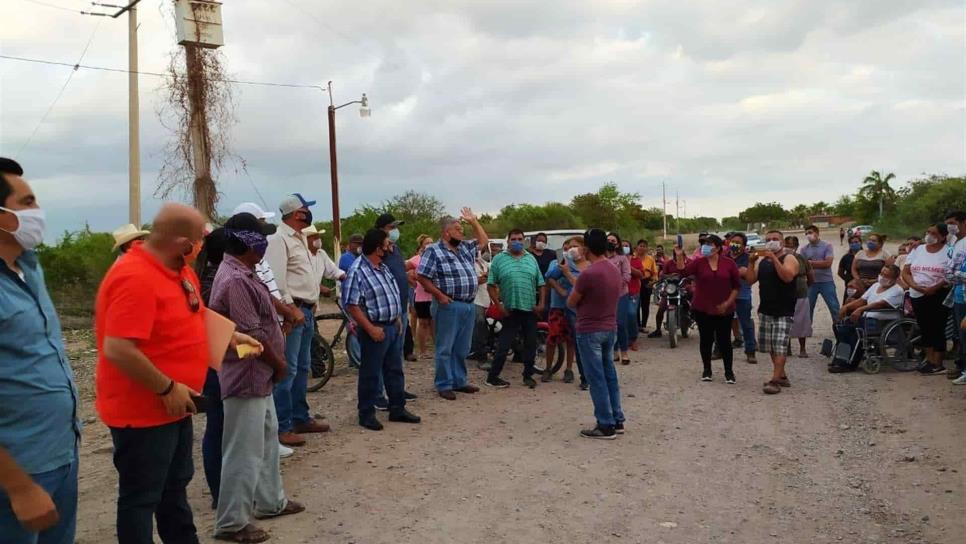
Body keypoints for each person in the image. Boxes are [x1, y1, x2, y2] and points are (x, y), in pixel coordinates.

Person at [95, 203, 261, 544]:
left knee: (175, 489)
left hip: (177, 402)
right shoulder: (134, 277)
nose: (203, 246)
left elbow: (194, 315)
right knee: (141, 498)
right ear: (182, 241)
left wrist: (230, 336)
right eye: (201, 239)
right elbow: (119, 349)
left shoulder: (179, 270)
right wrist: (166, 387)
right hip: (142, 411)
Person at [0, 157, 81, 544]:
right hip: (17, 471)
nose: (38, 212)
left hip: (62, 452)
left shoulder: (29, 268)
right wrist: (18, 486)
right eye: (27, 202)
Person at [209, 221, 304, 543]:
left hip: (258, 376)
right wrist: (278, 364)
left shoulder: (245, 272)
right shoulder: (235, 279)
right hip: (247, 375)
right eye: (261, 238)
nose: (265, 243)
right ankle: (232, 522)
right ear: (248, 242)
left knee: (265, 442)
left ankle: (270, 502)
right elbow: (251, 336)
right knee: (243, 451)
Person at [265, 193, 330, 447]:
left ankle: (300, 417)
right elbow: (278, 281)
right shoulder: (278, 239)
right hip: (293, 313)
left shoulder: (301, 238)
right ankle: (283, 426)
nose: (308, 213)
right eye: (305, 210)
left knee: (302, 367)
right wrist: (291, 309)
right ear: (296, 214)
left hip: (306, 310)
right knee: (288, 369)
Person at [343, 229, 422, 430]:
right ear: (378, 248)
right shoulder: (358, 270)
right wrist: (370, 328)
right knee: (370, 373)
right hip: (374, 329)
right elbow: (351, 304)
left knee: (395, 370)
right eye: (387, 245)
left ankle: (397, 409)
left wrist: (396, 318)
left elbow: (390, 293)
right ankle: (366, 414)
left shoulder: (382, 267)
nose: (390, 247)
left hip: (391, 327)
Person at [416, 209, 489, 400]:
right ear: (446, 232)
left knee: (462, 348)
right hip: (447, 304)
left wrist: (474, 221)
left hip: (467, 304)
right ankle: (444, 384)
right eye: (457, 229)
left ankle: (459, 381)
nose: (461, 232)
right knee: (445, 347)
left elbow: (483, 242)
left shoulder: (464, 248)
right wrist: (439, 296)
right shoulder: (434, 250)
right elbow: (422, 276)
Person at [568, 228, 624, 440]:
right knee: (609, 374)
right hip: (610, 326)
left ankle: (605, 423)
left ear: (586, 248)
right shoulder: (612, 268)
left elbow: (571, 301)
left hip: (590, 328)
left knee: (596, 378)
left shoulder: (588, 274)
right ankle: (617, 418)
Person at [485, 229, 547, 389]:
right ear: (508, 241)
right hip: (510, 310)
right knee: (504, 346)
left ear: (524, 241)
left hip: (529, 309)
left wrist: (541, 304)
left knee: (531, 344)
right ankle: (493, 377)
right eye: (513, 239)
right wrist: (499, 306)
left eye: (520, 239)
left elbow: (541, 283)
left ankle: (528, 375)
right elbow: (490, 285)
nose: (517, 241)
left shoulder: (530, 258)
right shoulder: (499, 259)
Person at [745, 230, 800, 395]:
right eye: (768, 239)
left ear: (782, 242)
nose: (771, 242)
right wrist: (751, 263)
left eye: (775, 239)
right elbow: (749, 280)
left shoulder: (789, 258)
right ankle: (781, 375)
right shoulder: (763, 262)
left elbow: (787, 277)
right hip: (766, 308)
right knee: (770, 345)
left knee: (780, 345)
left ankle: (774, 381)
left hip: (784, 309)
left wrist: (774, 258)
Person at [830, 265, 905, 373]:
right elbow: (862, 300)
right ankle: (840, 359)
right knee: (840, 326)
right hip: (867, 318)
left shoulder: (897, 290)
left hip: (881, 321)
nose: (882, 277)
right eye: (882, 274)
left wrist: (860, 309)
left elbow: (880, 304)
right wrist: (846, 307)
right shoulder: (875, 286)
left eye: (886, 275)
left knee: (854, 330)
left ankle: (849, 364)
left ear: (895, 278)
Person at [685, 234, 740, 383]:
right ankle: (707, 370)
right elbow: (683, 271)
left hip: (725, 309)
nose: (706, 246)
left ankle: (729, 372)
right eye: (704, 243)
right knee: (706, 339)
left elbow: (736, 286)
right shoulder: (699, 263)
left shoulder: (729, 263)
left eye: (709, 243)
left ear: (718, 247)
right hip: (702, 307)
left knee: (724, 341)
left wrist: (727, 303)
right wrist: (679, 256)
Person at [902, 223, 952, 375]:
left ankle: (938, 363)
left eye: (934, 233)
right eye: (928, 231)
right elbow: (906, 272)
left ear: (943, 236)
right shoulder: (918, 250)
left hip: (938, 294)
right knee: (924, 328)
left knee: (937, 327)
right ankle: (929, 360)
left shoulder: (949, 251)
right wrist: (915, 286)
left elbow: (950, 274)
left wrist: (934, 287)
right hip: (917, 293)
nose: (929, 235)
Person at [545, 237, 588, 387]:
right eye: (568, 247)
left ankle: (571, 370)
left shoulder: (588, 266)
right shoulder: (561, 262)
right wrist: (563, 263)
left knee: (573, 341)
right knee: (552, 337)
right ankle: (548, 368)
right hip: (558, 305)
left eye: (575, 247)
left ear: (583, 248)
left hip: (576, 309)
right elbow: (549, 277)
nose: (571, 249)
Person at [800, 225, 840, 323]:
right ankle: (807, 330)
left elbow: (827, 263)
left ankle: (839, 328)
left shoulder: (827, 246)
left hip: (826, 281)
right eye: (806, 233)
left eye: (810, 232)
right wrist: (817, 263)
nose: (808, 235)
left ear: (817, 233)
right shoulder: (804, 249)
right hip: (810, 283)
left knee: (834, 307)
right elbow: (802, 266)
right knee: (808, 308)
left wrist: (810, 263)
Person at [648, 245, 690, 338]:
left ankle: (691, 322)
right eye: (675, 254)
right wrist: (670, 275)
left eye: (680, 254)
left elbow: (694, 274)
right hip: (671, 288)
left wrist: (688, 278)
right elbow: (662, 275)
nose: (677, 256)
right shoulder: (668, 263)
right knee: (661, 308)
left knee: (691, 305)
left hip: (684, 287)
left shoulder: (689, 262)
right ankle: (658, 330)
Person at [944, 210, 966, 383]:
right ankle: (963, 367)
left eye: (952, 222)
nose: (950, 226)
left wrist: (954, 275)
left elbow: (955, 271)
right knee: (961, 333)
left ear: (963, 223)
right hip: (958, 294)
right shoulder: (954, 241)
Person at [729, 233, 757, 364]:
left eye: (738, 242)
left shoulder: (748, 258)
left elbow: (748, 274)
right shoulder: (724, 257)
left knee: (746, 324)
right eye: (732, 241)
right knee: (721, 323)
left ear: (744, 246)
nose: (734, 244)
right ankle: (719, 349)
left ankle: (750, 351)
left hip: (742, 294)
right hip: (725, 294)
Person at [407, 234, 436, 360]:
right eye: (427, 243)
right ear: (421, 246)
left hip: (435, 295)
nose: (430, 244)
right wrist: (413, 283)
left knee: (435, 323)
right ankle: (423, 350)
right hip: (422, 296)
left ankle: (437, 349)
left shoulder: (437, 257)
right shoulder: (416, 259)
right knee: (423, 322)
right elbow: (403, 270)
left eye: (431, 242)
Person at [606, 233, 633, 364]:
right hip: (605, 297)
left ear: (617, 243)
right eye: (608, 240)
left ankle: (624, 352)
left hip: (621, 294)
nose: (610, 242)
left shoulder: (622, 258)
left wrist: (615, 284)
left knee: (621, 324)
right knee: (610, 325)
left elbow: (627, 276)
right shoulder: (602, 259)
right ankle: (614, 351)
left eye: (613, 240)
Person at [785, 236, 814, 358]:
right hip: (784, 295)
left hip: (801, 293)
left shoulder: (801, 258)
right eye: (787, 245)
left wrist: (805, 286)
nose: (789, 248)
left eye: (791, 246)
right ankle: (787, 348)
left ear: (796, 247)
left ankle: (802, 349)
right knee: (785, 321)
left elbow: (810, 276)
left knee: (802, 321)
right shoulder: (781, 258)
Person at [301, 224, 345, 298]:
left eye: (318, 237)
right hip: (301, 299)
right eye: (315, 238)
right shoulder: (301, 255)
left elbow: (333, 270)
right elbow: (302, 279)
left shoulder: (321, 253)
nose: (318, 240)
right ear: (306, 239)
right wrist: (320, 288)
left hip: (314, 298)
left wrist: (345, 277)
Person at [468, 243, 494, 365]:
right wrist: (480, 279)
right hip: (475, 299)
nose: (483, 251)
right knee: (480, 323)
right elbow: (471, 281)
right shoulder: (468, 264)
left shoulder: (483, 263)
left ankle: (481, 348)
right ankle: (480, 353)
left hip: (486, 298)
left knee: (487, 325)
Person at [623, 239, 645, 350]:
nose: (624, 247)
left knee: (631, 314)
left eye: (626, 246)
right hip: (620, 292)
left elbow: (641, 274)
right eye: (622, 246)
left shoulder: (636, 260)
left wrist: (628, 267)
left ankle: (633, 338)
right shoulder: (615, 259)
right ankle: (624, 340)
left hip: (633, 292)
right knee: (622, 316)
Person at [635, 240, 658, 333]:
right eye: (640, 246)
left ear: (647, 248)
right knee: (635, 304)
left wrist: (653, 281)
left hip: (646, 282)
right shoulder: (633, 258)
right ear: (637, 247)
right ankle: (636, 325)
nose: (642, 248)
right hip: (635, 281)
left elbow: (655, 272)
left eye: (644, 246)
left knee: (645, 305)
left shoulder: (650, 259)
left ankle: (643, 325)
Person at [838, 235, 862, 304]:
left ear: (860, 243)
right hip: (851, 286)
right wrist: (848, 280)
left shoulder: (866, 255)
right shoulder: (846, 257)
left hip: (864, 285)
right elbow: (840, 272)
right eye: (851, 243)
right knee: (848, 306)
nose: (854, 244)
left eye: (856, 242)